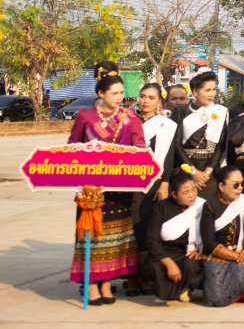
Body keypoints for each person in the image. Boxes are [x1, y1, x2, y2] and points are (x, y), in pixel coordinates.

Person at [68, 61, 146, 305]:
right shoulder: (85, 116)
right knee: (92, 235)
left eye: (122, 93)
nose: (120, 97)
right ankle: (92, 284)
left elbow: (140, 146)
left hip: (119, 189)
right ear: (101, 93)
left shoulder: (130, 117)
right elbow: (72, 147)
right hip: (91, 189)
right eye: (115, 93)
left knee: (115, 238)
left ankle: (106, 283)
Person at [130, 81, 187, 297]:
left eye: (151, 98)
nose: (145, 101)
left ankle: (147, 278)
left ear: (159, 102)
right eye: (143, 96)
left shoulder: (166, 125)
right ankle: (132, 279)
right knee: (131, 230)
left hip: (153, 183)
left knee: (146, 228)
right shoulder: (129, 121)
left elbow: (169, 157)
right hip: (129, 181)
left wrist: (164, 183)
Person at [198, 166, 244, 306]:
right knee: (216, 300)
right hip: (217, 257)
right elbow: (209, 242)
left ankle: (243, 291)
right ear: (221, 186)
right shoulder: (210, 206)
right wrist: (236, 257)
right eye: (235, 185)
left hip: (242, 255)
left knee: (241, 271)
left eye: (242, 183)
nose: (240, 188)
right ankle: (242, 292)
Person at [145, 169, 204, 304]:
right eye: (185, 192)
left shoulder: (202, 206)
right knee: (156, 265)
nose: (191, 195)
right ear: (174, 194)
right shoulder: (160, 208)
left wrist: (199, 249)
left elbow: (208, 234)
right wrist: (169, 263)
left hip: (187, 252)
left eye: (194, 189)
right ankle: (166, 292)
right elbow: (152, 240)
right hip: (165, 252)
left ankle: (184, 288)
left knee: (192, 263)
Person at [178, 71, 228, 200]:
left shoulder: (220, 112)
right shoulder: (181, 111)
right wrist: (193, 172)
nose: (212, 94)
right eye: (207, 90)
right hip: (186, 170)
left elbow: (221, 145)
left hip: (210, 174)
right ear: (195, 91)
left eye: (214, 89)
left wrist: (207, 173)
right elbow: (177, 145)